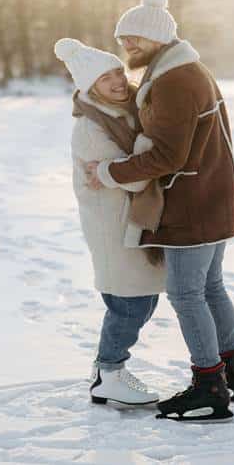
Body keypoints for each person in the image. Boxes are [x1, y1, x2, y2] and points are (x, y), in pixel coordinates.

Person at [86, 0, 234, 422]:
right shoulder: (187, 70)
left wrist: (109, 172)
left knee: (186, 293)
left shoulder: (176, 80)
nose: (128, 48)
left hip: (192, 205)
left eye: (135, 39)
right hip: (215, 199)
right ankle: (233, 375)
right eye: (124, 40)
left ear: (158, 38)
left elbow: (167, 156)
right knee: (211, 288)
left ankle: (209, 385)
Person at [54, 38, 166, 406]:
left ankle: (106, 369)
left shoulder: (128, 110)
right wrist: (154, 144)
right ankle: (109, 372)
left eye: (118, 71)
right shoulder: (91, 128)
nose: (118, 81)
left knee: (143, 300)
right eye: (105, 78)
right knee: (128, 303)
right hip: (112, 225)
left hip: (131, 220)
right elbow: (132, 177)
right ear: (91, 88)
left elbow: (125, 171)